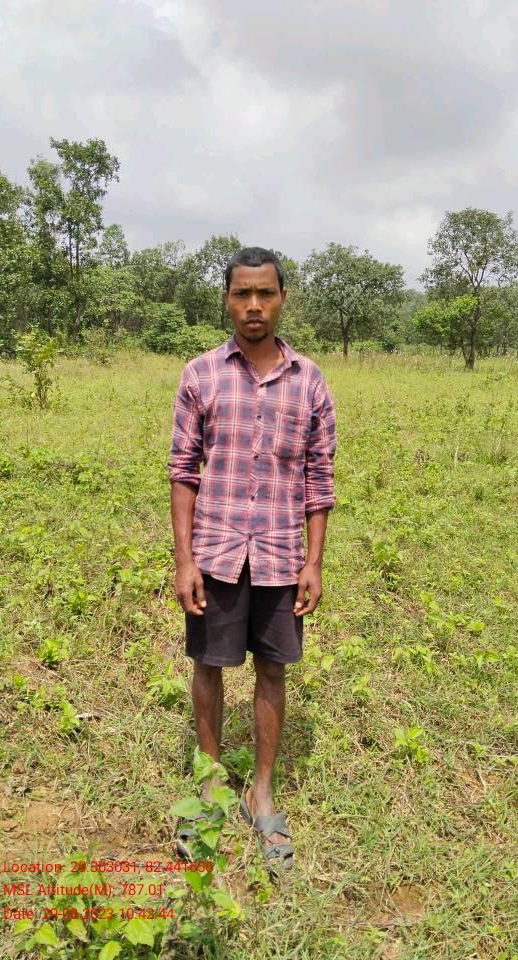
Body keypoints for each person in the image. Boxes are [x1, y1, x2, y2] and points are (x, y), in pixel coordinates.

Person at [168, 246, 336, 870]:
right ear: (228, 300)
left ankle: (261, 793)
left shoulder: (310, 380)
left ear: (282, 298)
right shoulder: (201, 374)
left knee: (272, 670)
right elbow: (183, 472)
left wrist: (313, 562)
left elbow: (319, 479)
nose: (254, 305)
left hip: (281, 555)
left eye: (265, 293)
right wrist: (184, 560)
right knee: (208, 666)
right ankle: (211, 789)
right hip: (215, 551)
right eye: (243, 293)